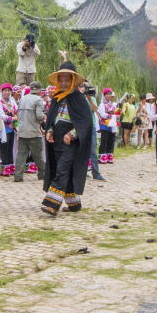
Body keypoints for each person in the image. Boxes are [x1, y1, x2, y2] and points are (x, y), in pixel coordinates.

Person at [42, 61, 94, 216]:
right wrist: (49, 130)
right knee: (64, 170)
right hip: (57, 141)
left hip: (71, 143)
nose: (63, 83)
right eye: (61, 80)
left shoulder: (79, 98)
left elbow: (86, 121)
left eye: (67, 80)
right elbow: (52, 118)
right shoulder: (57, 98)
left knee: (62, 170)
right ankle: (74, 204)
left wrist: (72, 134)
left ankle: (52, 205)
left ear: (73, 81)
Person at [14, 82, 46, 183]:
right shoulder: (38, 100)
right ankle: (42, 174)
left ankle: (18, 176)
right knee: (37, 155)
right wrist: (44, 117)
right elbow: (39, 116)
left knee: (21, 155)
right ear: (40, 90)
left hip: (22, 132)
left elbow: (18, 114)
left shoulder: (22, 99)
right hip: (33, 131)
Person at [0, 83, 18, 177]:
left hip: (11, 129)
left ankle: (10, 167)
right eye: (5, 91)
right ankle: (4, 169)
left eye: (9, 91)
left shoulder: (12, 102)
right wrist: (13, 118)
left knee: (10, 148)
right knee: (4, 148)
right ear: (2, 92)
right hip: (3, 128)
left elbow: (16, 111)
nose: (7, 92)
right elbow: (2, 116)